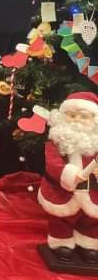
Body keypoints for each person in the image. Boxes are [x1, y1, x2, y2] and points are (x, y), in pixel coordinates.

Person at [37, 91, 98, 264]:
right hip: (62, 192)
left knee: (92, 222)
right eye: (72, 115)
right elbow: (53, 163)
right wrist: (68, 174)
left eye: (83, 116)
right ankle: (61, 243)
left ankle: (88, 244)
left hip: (92, 193)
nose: (77, 120)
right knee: (61, 220)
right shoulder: (56, 142)